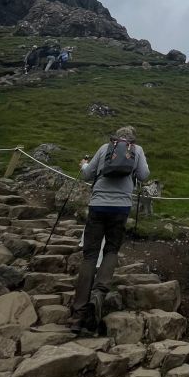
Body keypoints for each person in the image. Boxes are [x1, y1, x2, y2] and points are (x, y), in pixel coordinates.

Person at [69, 125, 150, 334]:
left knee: (89, 256)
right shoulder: (137, 150)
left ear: (116, 137)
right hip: (121, 208)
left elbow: (88, 175)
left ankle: (78, 314)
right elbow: (144, 175)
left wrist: (84, 164)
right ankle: (98, 295)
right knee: (111, 251)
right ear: (132, 138)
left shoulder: (105, 147)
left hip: (98, 205)